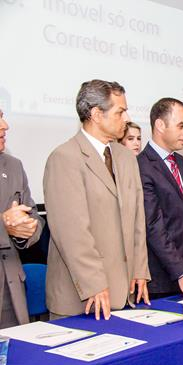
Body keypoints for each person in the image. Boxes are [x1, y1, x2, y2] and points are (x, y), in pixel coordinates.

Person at [43, 80, 150, 320]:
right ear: (96, 114)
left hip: (124, 293)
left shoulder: (126, 158)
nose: (126, 118)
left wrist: (140, 269)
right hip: (81, 297)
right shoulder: (65, 158)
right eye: (120, 112)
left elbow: (137, 220)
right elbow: (71, 232)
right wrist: (94, 283)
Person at [137, 98, 183, 299]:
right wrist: (181, 271)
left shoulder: (180, 162)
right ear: (160, 125)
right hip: (161, 278)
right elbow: (153, 226)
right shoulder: (142, 166)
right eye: (181, 126)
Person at [0, 108, 44, 328]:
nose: (5, 126)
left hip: (11, 290)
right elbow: (6, 224)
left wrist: (25, 228)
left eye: (2, 117)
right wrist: (4, 226)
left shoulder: (14, 166)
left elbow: (33, 215)